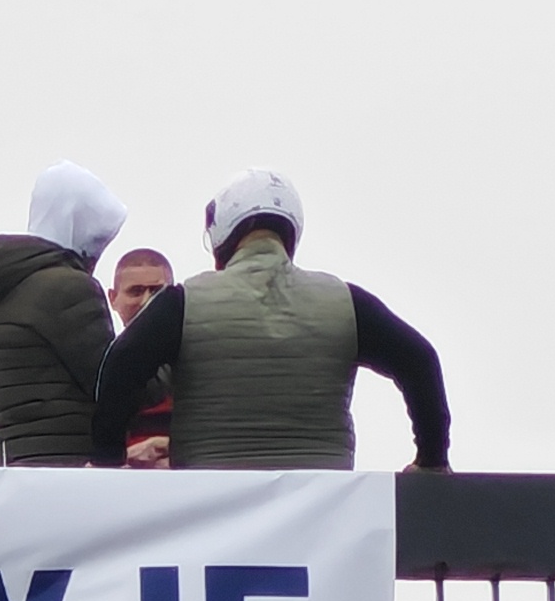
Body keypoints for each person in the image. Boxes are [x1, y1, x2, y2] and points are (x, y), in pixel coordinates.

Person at [93, 172, 447, 470]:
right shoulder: (347, 302)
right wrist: (431, 459)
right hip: (323, 509)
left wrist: (109, 463)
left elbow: (122, 365)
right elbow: (419, 360)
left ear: (222, 233)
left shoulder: (184, 302)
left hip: (211, 507)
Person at [0, 163, 124, 467]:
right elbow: (110, 379)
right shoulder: (68, 287)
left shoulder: (5, 283)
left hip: (14, 460)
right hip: (68, 461)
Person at [108, 248, 176, 467]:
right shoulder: (95, 364)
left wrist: (169, 447)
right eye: (136, 291)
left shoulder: (198, 360)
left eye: (156, 291)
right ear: (113, 298)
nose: (147, 301)